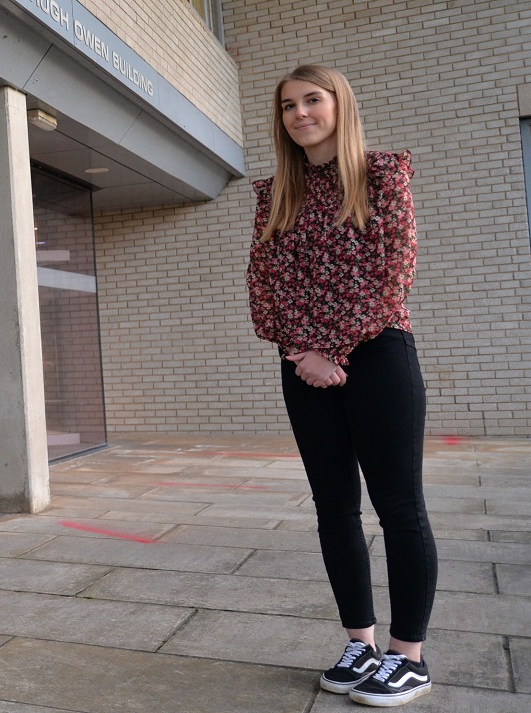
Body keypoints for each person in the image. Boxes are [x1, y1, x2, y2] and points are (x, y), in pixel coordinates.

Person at [247, 65, 436, 707]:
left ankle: (408, 656)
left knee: (399, 507)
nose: (300, 114)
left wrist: (331, 349)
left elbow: (394, 272)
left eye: (312, 100)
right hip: (302, 366)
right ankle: (360, 643)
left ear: (338, 105)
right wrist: (303, 351)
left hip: (378, 356)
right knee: (334, 507)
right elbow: (262, 287)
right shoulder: (274, 193)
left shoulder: (382, 175)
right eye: (288, 106)